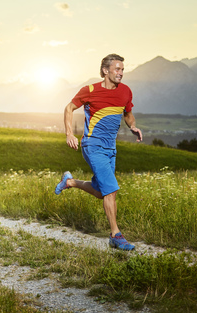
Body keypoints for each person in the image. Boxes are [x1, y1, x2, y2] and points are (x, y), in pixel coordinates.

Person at [55, 54, 142, 251]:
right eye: (117, 69)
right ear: (105, 70)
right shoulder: (90, 90)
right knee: (111, 190)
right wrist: (69, 133)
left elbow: (127, 113)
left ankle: (70, 182)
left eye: (122, 69)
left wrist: (133, 127)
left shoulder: (126, 91)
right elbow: (69, 108)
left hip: (111, 148)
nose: (121, 73)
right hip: (92, 146)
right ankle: (115, 235)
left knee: (101, 192)